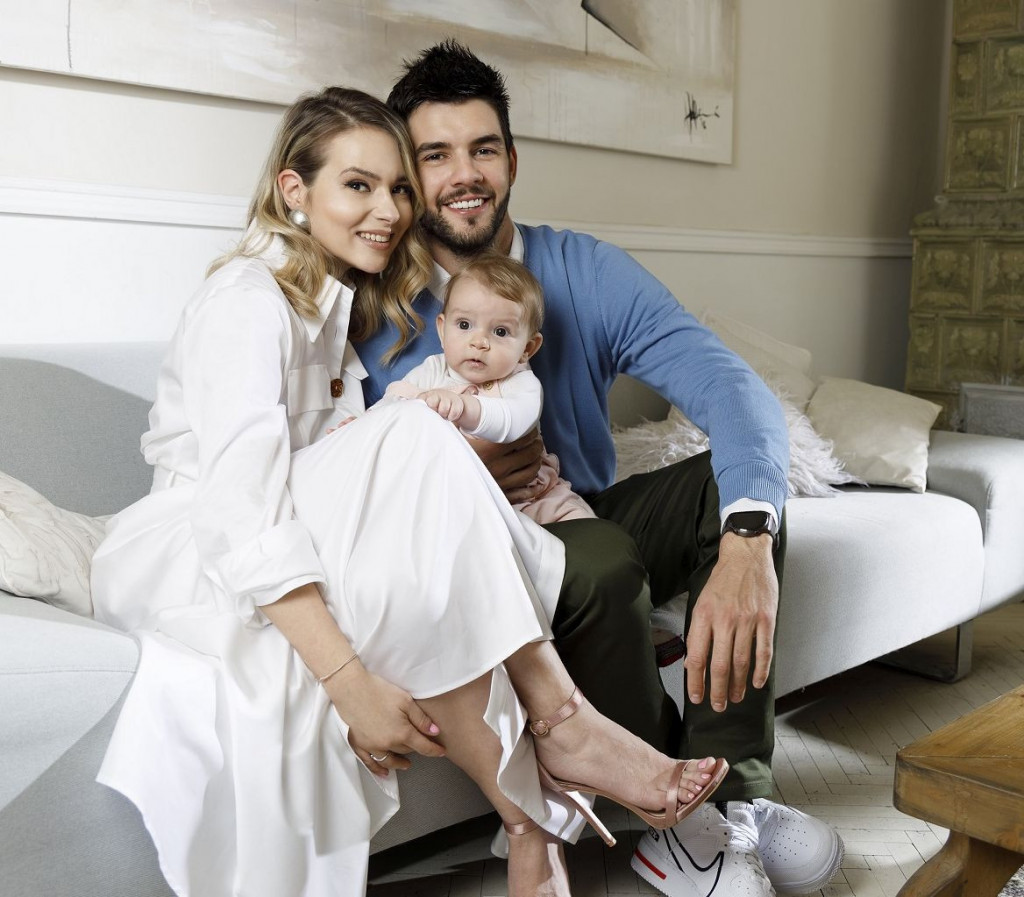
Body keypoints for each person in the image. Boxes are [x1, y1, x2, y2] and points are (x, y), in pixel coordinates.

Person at [88, 85, 731, 897]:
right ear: (294, 189)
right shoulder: (246, 300)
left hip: (299, 524)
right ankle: (565, 724)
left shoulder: (334, 310)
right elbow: (240, 508)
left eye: (397, 187)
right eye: (358, 184)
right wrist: (348, 682)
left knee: (418, 547)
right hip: (192, 549)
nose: (389, 210)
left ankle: (528, 827)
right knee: (418, 429)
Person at [351, 41, 844, 896]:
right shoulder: (370, 298)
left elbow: (732, 389)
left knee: (735, 495)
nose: (464, 175)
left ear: (512, 161)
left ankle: (733, 798)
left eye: (483, 149)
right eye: (435, 155)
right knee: (603, 559)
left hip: (577, 509)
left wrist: (749, 540)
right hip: (471, 556)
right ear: (408, 176)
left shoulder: (583, 270)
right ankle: (671, 817)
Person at [384, 251, 593, 524]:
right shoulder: (433, 370)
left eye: (500, 332)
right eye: (464, 325)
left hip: (530, 497)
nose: (479, 342)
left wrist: (465, 408)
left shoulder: (520, 383)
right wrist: (362, 425)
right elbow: (396, 399)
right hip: (463, 504)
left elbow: (512, 422)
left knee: (581, 523)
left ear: (527, 349)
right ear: (442, 330)